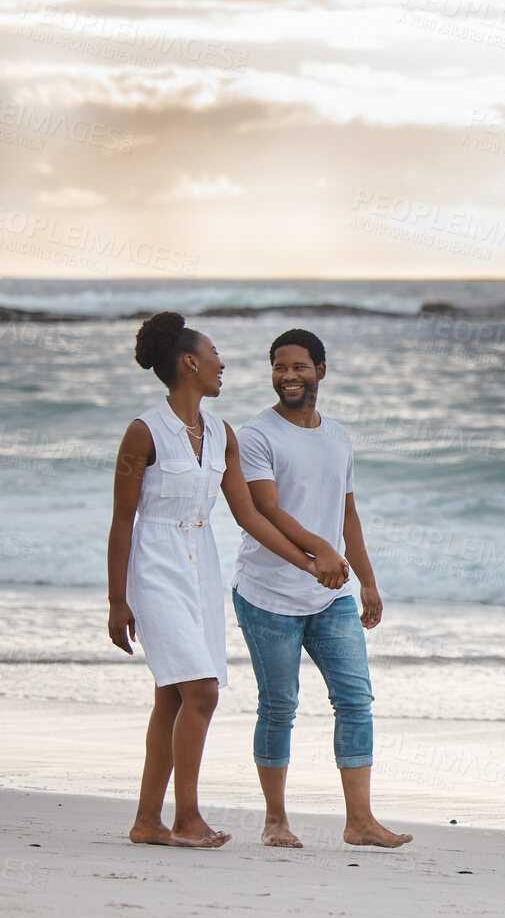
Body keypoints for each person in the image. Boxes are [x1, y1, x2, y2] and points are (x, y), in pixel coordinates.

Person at [109, 312, 348, 847]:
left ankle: (147, 821)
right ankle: (187, 818)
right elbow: (122, 519)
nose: (223, 363)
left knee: (172, 697)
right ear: (191, 362)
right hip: (154, 565)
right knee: (202, 691)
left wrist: (309, 562)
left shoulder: (221, 434)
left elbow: (253, 517)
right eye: (215, 353)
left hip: (203, 564)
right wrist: (116, 600)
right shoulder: (144, 431)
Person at [232, 327, 412, 849]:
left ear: (321, 372)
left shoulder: (337, 436)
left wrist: (368, 582)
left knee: (355, 699)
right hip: (268, 595)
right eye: (279, 367)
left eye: (299, 367)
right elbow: (265, 509)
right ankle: (275, 820)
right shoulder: (256, 435)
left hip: (331, 595)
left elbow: (348, 512)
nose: (288, 376)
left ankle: (359, 822)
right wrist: (320, 553)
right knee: (279, 706)